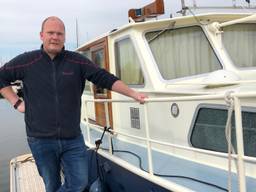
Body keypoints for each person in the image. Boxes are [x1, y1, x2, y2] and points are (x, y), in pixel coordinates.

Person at [0, 16, 147, 192]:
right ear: (41, 35)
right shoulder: (27, 61)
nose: (55, 37)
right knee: (52, 184)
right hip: (40, 140)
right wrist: (16, 103)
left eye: (59, 33)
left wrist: (133, 93)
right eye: (50, 33)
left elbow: (105, 78)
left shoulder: (77, 61)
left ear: (64, 37)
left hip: (72, 139)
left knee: (79, 183)